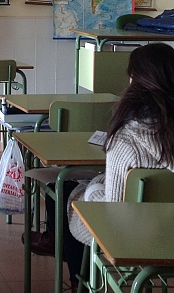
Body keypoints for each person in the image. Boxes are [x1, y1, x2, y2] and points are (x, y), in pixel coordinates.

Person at [30, 43, 174, 290]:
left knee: (66, 192)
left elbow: (113, 214)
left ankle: (79, 282)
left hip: (132, 238)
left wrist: (92, 186)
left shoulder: (127, 139)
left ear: (136, 82)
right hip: (169, 234)